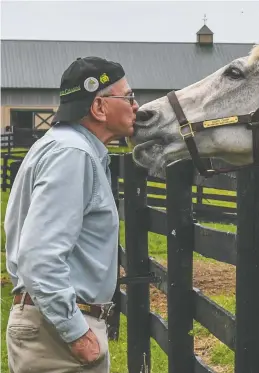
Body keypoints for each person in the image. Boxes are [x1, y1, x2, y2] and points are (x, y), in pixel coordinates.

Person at [4, 56, 138, 372]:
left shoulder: (58, 146)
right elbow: (39, 256)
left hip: (49, 324)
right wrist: (77, 333)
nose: (136, 106)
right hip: (58, 337)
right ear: (99, 108)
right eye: (129, 97)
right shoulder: (73, 155)